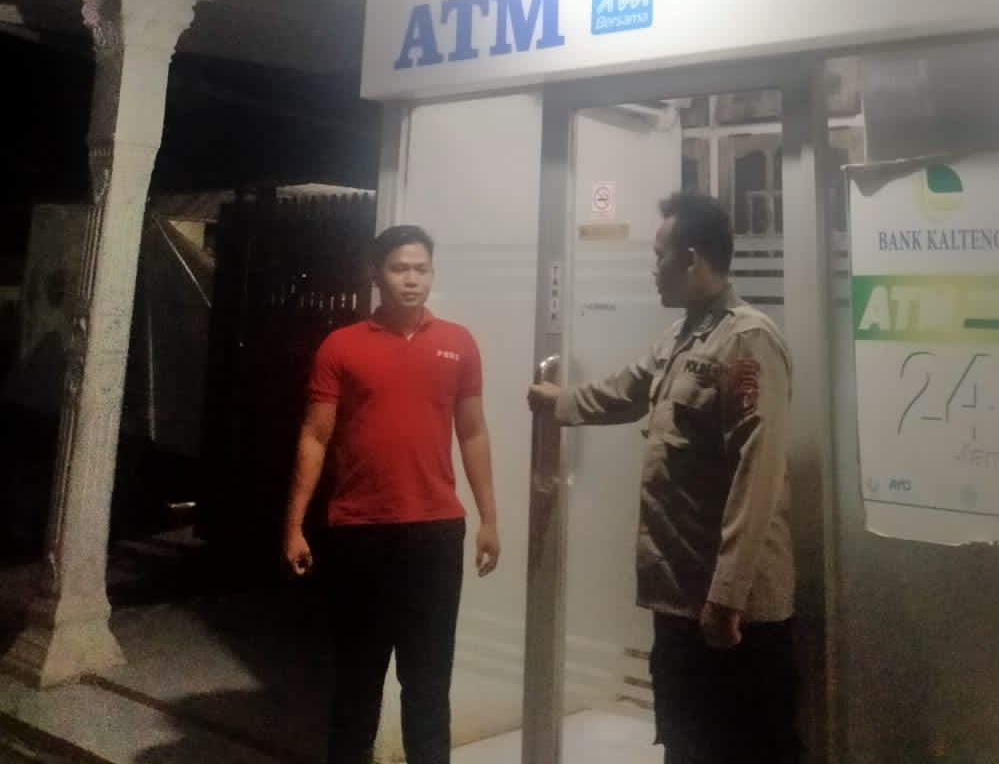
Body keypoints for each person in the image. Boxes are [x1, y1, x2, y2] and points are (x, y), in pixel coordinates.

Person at [528, 190, 800, 764]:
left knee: (746, 748)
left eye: (659, 255)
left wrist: (728, 594)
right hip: (681, 593)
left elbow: (758, 472)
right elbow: (627, 389)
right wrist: (558, 403)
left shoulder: (746, 340)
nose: (653, 269)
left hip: (732, 607)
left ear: (692, 259)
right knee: (686, 743)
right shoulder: (683, 336)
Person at [284, 225, 499, 764]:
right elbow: (314, 436)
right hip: (360, 531)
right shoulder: (341, 346)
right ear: (376, 274)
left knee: (428, 681)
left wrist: (489, 518)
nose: (411, 279)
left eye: (421, 269)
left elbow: (473, 432)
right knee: (357, 678)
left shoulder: (458, 343)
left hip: (435, 532)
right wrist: (294, 525)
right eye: (400, 268)